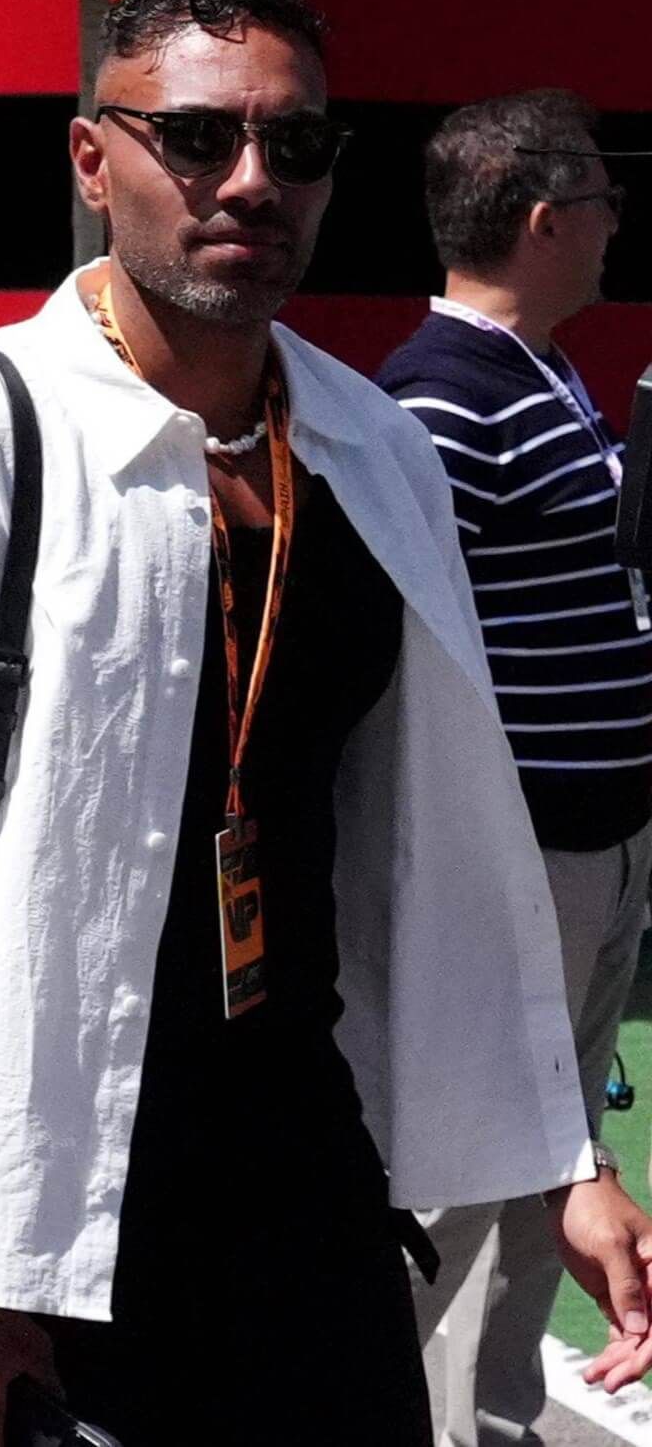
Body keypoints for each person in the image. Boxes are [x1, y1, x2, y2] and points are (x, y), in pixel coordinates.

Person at [0, 0, 652, 1447]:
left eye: (299, 146)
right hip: (38, 1215)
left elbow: (450, 854)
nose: (251, 181)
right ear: (95, 157)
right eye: (198, 138)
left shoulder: (371, 456)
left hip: (306, 1183)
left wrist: (564, 1158)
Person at [382, 90, 652, 1447]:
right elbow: (410, 667)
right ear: (546, 220)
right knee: (469, 1187)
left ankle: (493, 1422)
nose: (617, 227)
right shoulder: (438, 399)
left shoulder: (542, 374)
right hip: (519, 864)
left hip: (595, 849)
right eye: (603, 202)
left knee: (549, 1188)